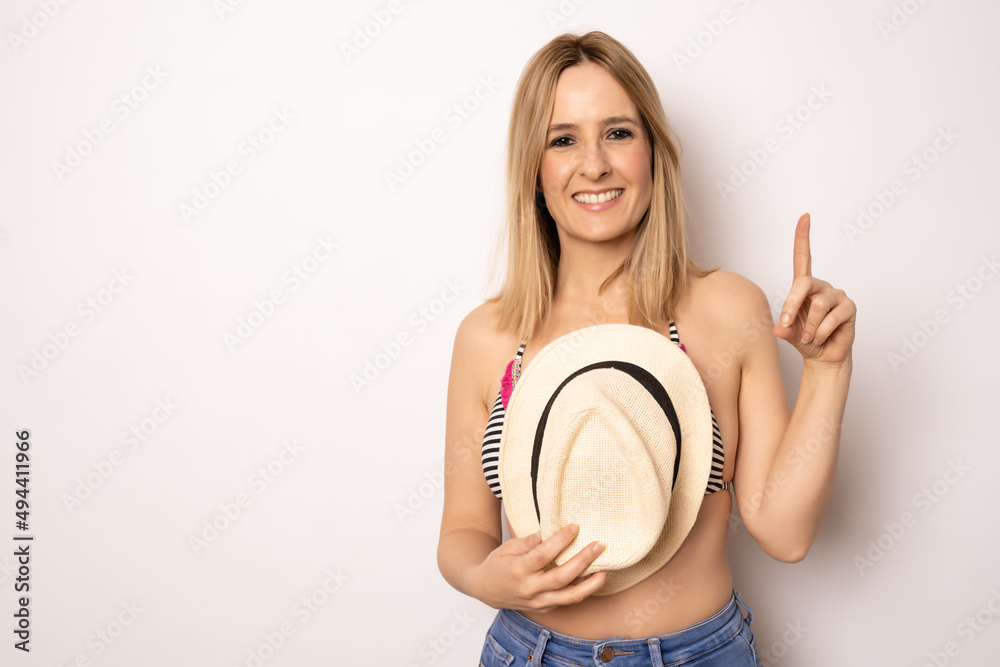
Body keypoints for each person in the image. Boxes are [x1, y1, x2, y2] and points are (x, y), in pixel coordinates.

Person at [437, 30, 855, 666]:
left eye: (618, 132)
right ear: (534, 170)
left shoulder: (728, 309)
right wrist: (484, 578)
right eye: (562, 139)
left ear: (654, 152)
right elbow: (463, 532)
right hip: (531, 651)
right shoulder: (487, 335)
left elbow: (784, 532)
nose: (594, 164)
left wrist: (827, 370)